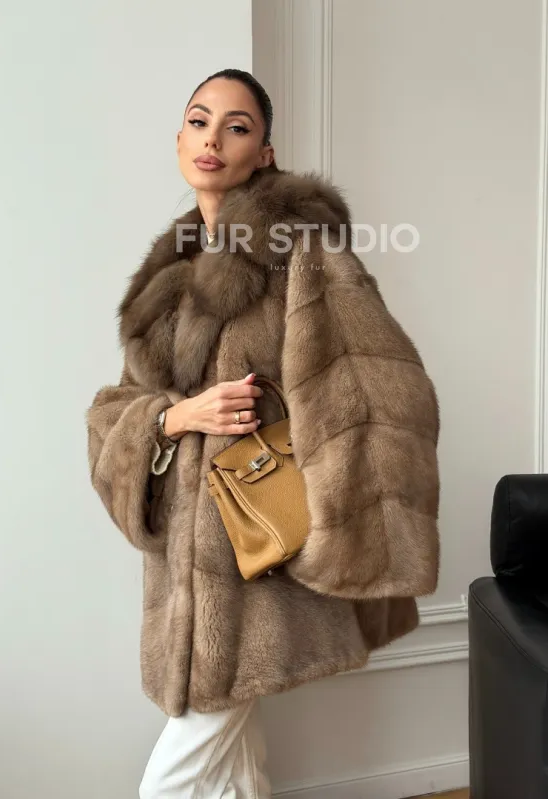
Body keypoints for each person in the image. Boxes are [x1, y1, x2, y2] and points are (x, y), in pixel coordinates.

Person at [86, 68, 441, 798]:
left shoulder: (299, 252)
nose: (213, 138)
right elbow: (119, 404)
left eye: (237, 126)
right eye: (199, 121)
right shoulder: (166, 280)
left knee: (175, 777)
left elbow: (378, 391)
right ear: (179, 139)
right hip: (184, 563)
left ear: (265, 153)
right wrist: (175, 417)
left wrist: (334, 516)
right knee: (234, 768)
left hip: (258, 555)